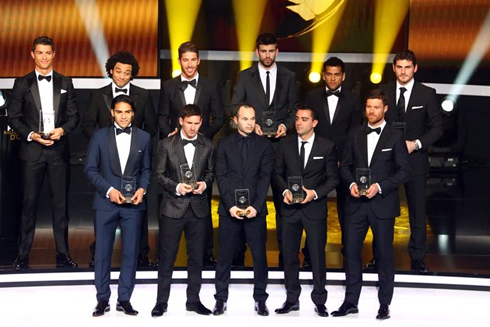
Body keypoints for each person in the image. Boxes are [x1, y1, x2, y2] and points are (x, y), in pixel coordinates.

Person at [332, 89, 411, 320]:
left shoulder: (395, 136)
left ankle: (384, 304)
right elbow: (344, 166)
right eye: (368, 107)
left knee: (385, 255)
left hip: (382, 204)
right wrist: (350, 186)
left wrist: (381, 186)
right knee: (352, 253)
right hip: (356, 204)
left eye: (376, 107)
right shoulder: (355, 133)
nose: (371, 111)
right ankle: (350, 302)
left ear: (385, 109)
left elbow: (404, 171)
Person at [8, 36, 79, 270]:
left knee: (61, 205)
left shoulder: (66, 82)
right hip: (31, 152)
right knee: (28, 204)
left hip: (58, 152)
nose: (44, 57)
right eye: (40, 53)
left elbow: (73, 117)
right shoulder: (22, 83)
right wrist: (32, 135)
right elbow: (14, 117)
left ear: (54, 54)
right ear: (32, 55)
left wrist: (62, 130)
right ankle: (22, 254)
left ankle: (63, 253)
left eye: (48, 52)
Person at [82, 50, 157, 267]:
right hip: (106, 166)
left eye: (127, 72)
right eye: (118, 71)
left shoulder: (144, 95)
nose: (122, 76)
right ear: (111, 71)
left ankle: (141, 254)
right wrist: (103, 144)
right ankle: (99, 253)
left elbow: (151, 126)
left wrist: (140, 147)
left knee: (137, 208)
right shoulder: (98, 95)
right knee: (104, 211)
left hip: (134, 163)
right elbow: (87, 125)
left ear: (132, 74)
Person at [231, 32, 298, 267]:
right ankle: (239, 257)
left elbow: (295, 109)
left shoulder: (289, 77)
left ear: (277, 51)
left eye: (271, 51)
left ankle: (286, 258)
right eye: (263, 51)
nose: (267, 55)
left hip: (281, 148)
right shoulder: (244, 77)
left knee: (284, 202)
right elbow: (234, 106)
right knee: (246, 198)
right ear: (257, 52)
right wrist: (252, 124)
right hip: (253, 146)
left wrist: (285, 125)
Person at [84, 95, 152, 317]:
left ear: (133, 113)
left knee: (131, 253)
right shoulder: (99, 136)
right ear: (112, 112)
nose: (123, 116)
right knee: (102, 253)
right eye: (119, 112)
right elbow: (90, 169)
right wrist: (109, 191)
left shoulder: (144, 138)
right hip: (105, 203)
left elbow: (146, 170)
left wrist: (142, 189)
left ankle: (125, 298)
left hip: (133, 206)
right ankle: (102, 299)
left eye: (128, 112)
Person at [158, 41, 224, 266]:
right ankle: (166, 257)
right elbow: (161, 117)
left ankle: (205, 252)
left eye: (193, 59)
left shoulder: (210, 85)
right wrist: (172, 134)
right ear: (179, 61)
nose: (189, 64)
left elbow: (219, 117)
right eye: (184, 59)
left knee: (200, 200)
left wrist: (199, 136)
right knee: (173, 196)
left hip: (201, 150)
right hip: (175, 151)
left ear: (199, 61)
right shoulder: (168, 86)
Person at [378, 50, 443, 273]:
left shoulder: (427, 94)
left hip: (415, 160)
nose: (403, 71)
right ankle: (380, 256)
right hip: (386, 162)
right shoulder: (383, 92)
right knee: (382, 210)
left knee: (416, 210)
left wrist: (415, 143)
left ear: (415, 68)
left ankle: (417, 257)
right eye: (399, 67)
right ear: (394, 68)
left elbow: (437, 128)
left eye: (408, 67)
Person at [273, 105, 339, 317]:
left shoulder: (327, 147)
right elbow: (277, 173)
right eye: (297, 119)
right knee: (289, 255)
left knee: (318, 256)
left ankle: (320, 300)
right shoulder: (284, 145)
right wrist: (284, 190)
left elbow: (333, 178)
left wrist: (315, 193)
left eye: (303, 119)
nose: (298, 122)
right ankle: (292, 299)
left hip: (314, 209)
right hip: (290, 209)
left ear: (314, 123)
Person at [152, 104, 215, 317]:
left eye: (197, 123)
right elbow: (158, 175)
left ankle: (193, 300)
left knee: (196, 257)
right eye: (189, 123)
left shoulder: (208, 145)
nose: (193, 128)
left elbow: (210, 173)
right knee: (167, 256)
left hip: (198, 208)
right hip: (172, 207)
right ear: (180, 121)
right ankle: (161, 302)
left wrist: (205, 185)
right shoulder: (166, 145)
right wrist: (177, 187)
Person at [212, 103, 273, 316]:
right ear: (235, 120)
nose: (250, 122)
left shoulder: (265, 146)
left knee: (259, 257)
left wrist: (256, 206)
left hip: (256, 211)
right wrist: (230, 205)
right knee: (225, 255)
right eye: (245, 118)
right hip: (229, 210)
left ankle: (261, 299)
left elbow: (265, 177)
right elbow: (221, 176)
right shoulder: (224, 144)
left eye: (252, 118)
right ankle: (220, 299)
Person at [303, 56, 363, 267]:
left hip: (343, 162)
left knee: (347, 208)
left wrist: (342, 159)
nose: (333, 78)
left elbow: (355, 134)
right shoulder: (311, 97)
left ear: (343, 76)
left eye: (337, 74)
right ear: (323, 75)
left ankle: (349, 253)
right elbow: (308, 129)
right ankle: (311, 254)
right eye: (329, 74)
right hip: (316, 160)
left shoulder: (354, 99)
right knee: (312, 207)